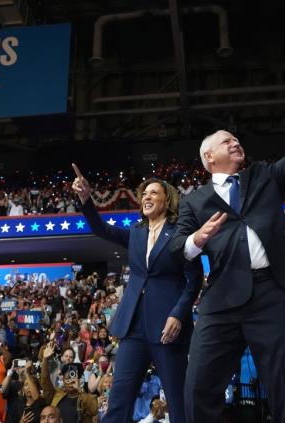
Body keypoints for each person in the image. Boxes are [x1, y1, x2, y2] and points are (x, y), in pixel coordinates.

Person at [169, 78, 285, 423]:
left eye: (237, 140)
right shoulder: (194, 200)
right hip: (221, 299)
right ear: (209, 157)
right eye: (228, 141)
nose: (236, 143)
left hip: (275, 293)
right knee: (197, 389)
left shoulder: (263, 176)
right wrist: (198, 238)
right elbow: (178, 247)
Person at [72, 165, 203, 423]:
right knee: (119, 398)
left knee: (177, 401)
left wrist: (178, 314)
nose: (147, 197)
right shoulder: (136, 232)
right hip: (133, 328)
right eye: (144, 194)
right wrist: (86, 200)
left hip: (168, 329)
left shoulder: (180, 233)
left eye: (154, 193)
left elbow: (194, 279)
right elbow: (101, 229)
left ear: (167, 200)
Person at [40, 343, 97, 423]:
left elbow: (94, 410)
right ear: (63, 380)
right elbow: (45, 381)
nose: (70, 381)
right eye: (67, 379)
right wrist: (45, 359)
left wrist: (80, 391)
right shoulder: (56, 394)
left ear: (79, 380)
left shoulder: (87, 397)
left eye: (73, 379)